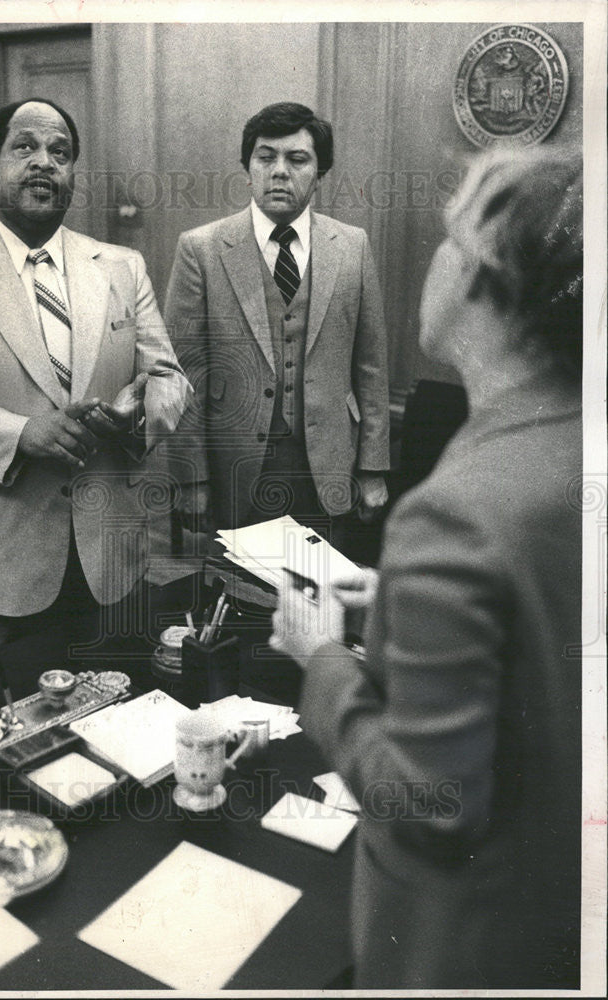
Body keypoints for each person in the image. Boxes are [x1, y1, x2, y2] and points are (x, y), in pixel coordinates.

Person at [270, 146, 583, 989]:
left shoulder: (457, 511)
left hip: (467, 945)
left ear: (485, 281)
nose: (434, 260)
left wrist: (323, 659)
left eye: (449, 239)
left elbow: (431, 805)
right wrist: (403, 603)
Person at [0, 98, 190, 665]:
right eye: (25, 147)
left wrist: (139, 412)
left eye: (60, 152)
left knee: (112, 720)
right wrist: (24, 433)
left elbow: (168, 376)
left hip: (109, 558)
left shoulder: (123, 265)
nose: (44, 162)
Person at [164, 102, 390, 558]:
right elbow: (183, 376)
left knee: (323, 607)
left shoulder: (352, 247)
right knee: (239, 606)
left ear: (320, 173)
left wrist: (373, 468)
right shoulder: (202, 250)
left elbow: (371, 368)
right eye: (266, 157)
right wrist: (192, 477)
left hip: (327, 467)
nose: (280, 172)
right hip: (237, 471)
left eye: (298, 159)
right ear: (247, 169)